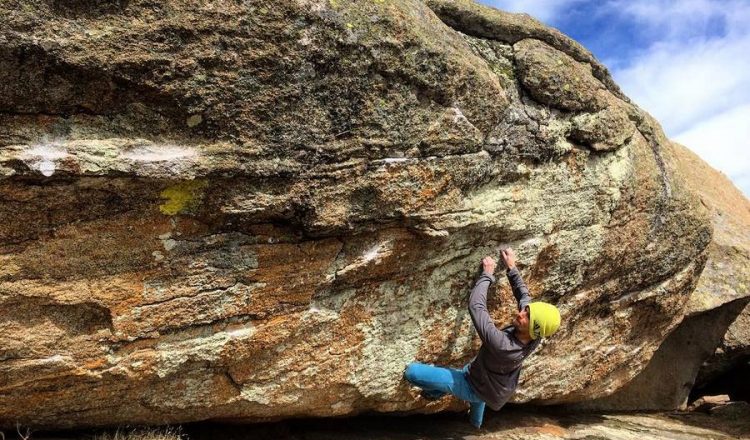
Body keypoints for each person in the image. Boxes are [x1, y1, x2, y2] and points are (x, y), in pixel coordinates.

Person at [403, 247, 561, 428]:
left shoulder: (503, 346)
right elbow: (523, 296)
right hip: (493, 382)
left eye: (527, 318)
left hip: (474, 385)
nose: (520, 314)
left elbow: (476, 307)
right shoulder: (535, 334)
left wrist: (487, 274)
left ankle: (439, 393)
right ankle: (475, 426)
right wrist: (512, 267)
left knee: (412, 372)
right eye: (526, 310)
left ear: (534, 330)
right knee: (475, 417)